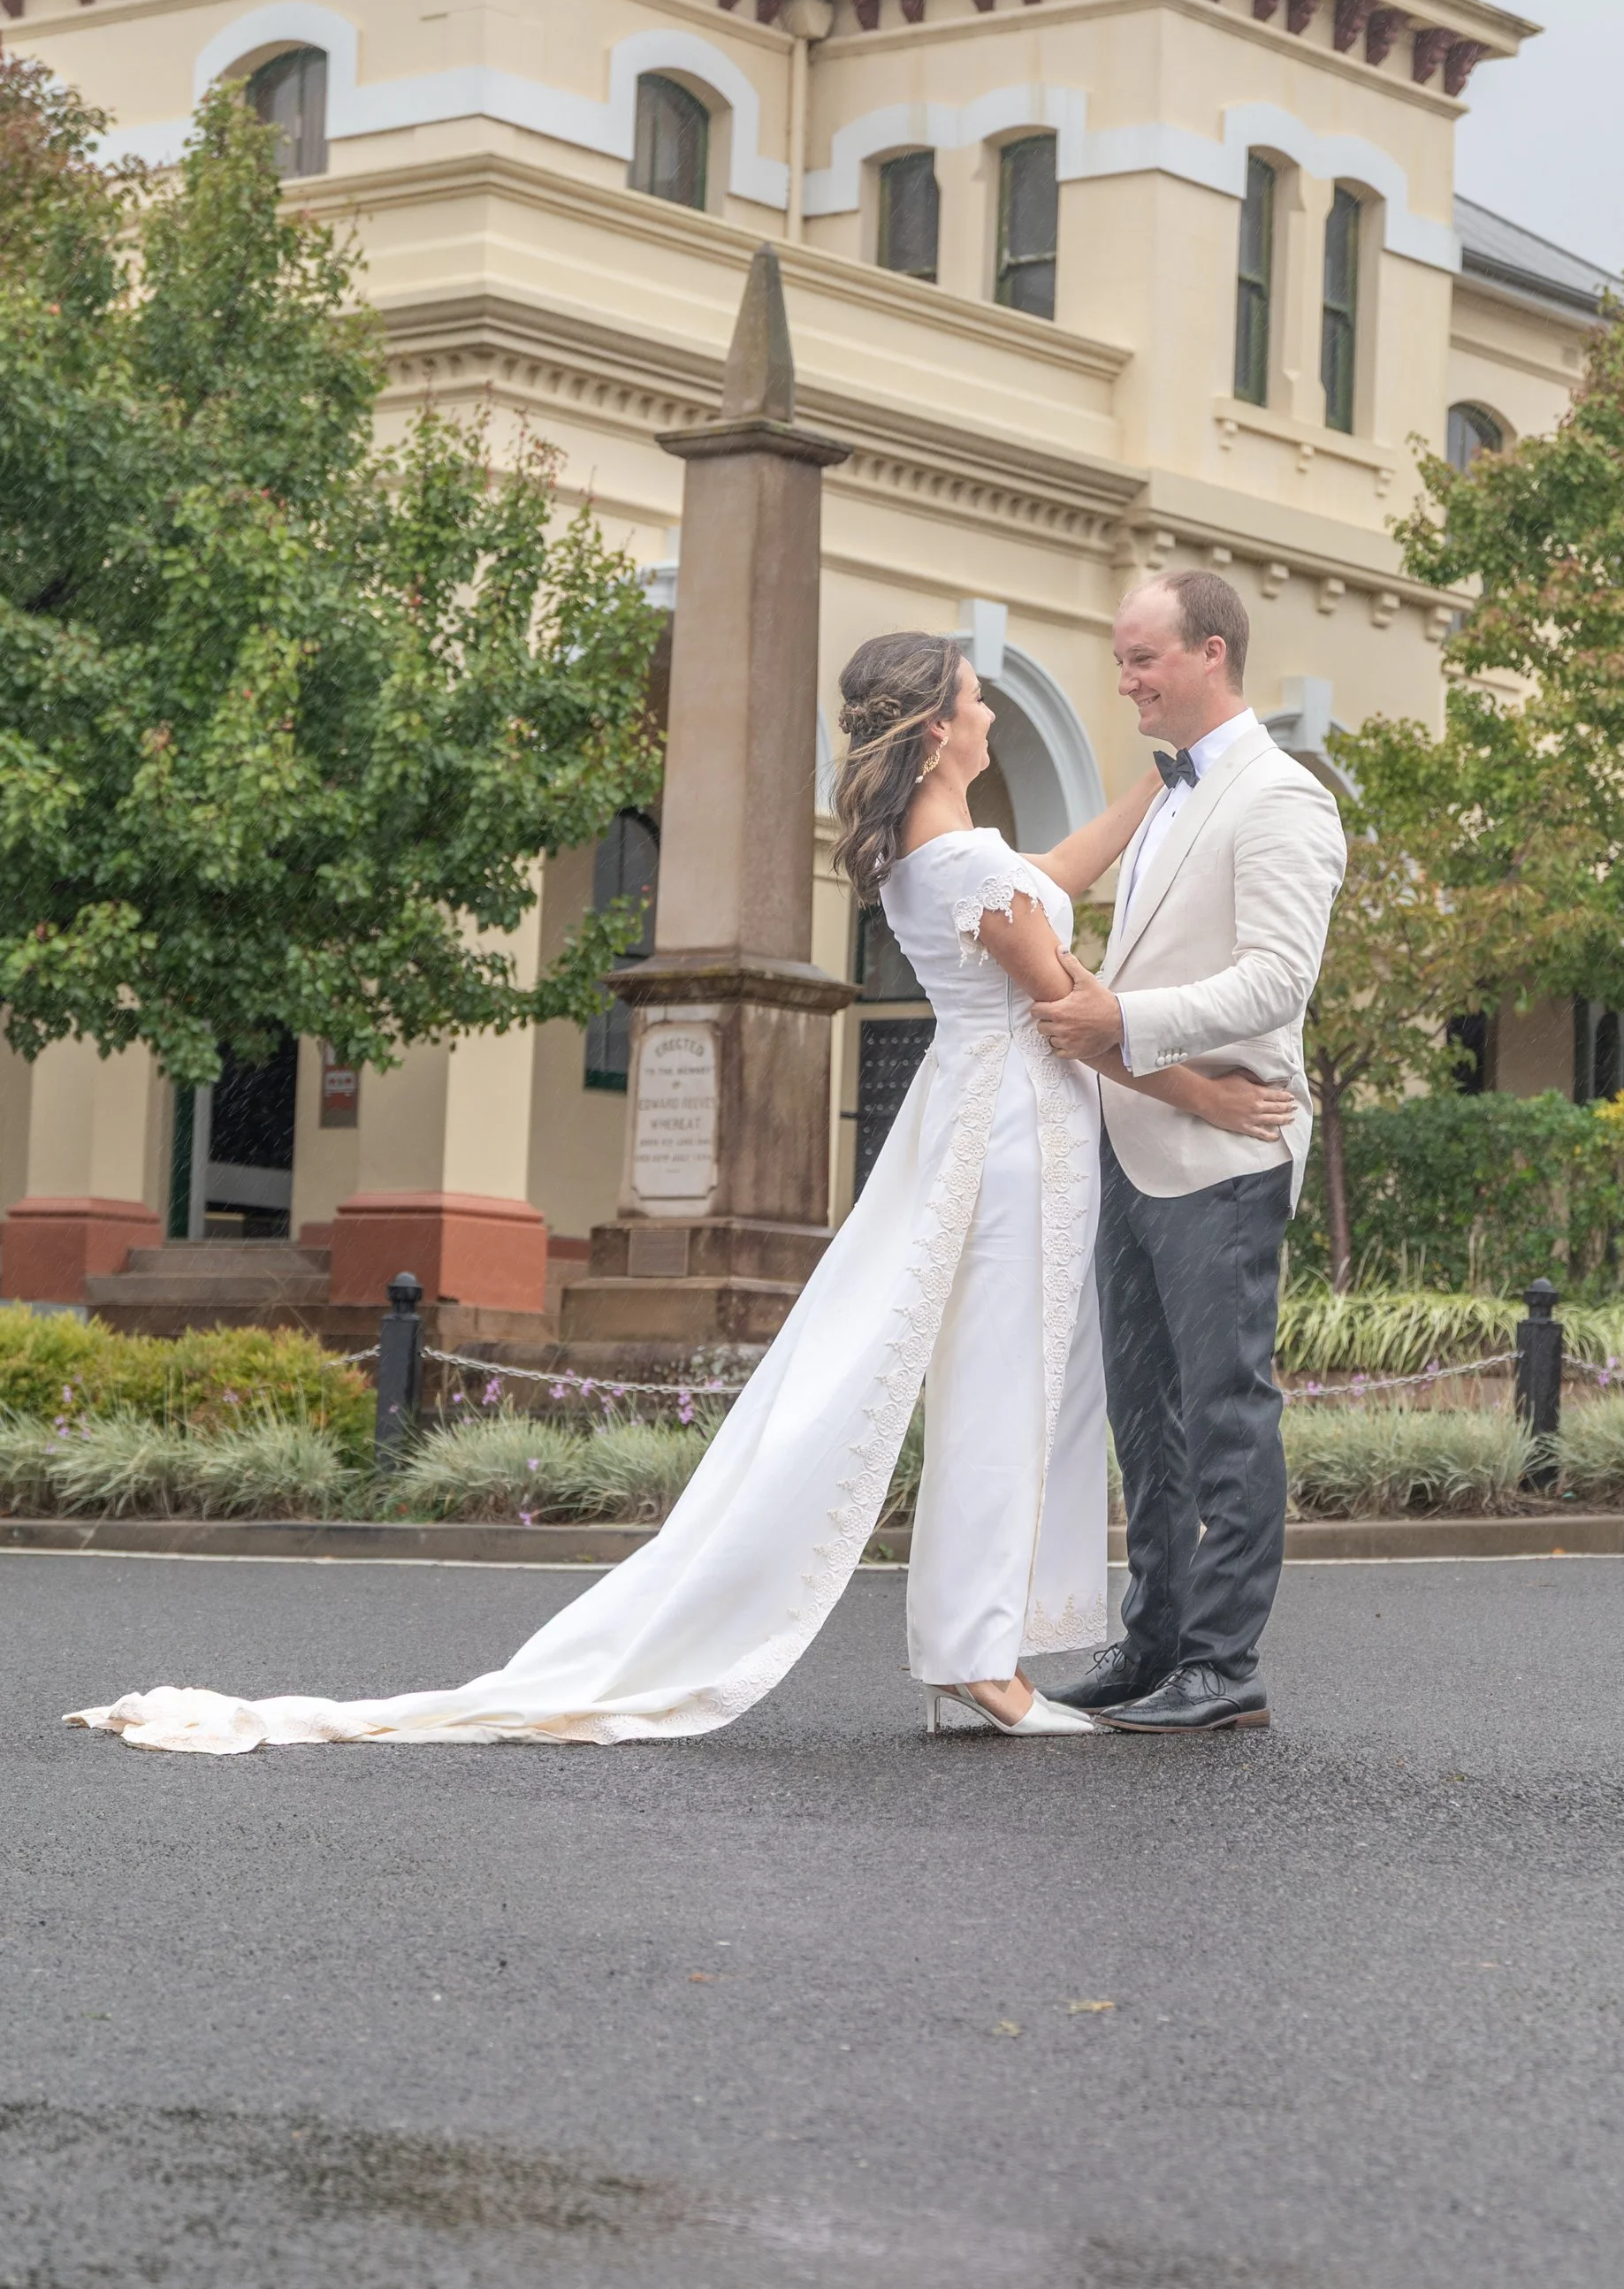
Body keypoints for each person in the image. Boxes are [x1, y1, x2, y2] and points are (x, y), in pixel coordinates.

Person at [68, 630, 1294, 1754]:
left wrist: (1160, 775)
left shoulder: (942, 857)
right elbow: (1073, 1013)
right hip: (1016, 1137)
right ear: (938, 730)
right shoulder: (964, 859)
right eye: (976, 702)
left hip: (983, 1125)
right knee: (1000, 1388)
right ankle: (980, 1659)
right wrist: (1207, 1096)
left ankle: (974, 1652)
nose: (984, 717)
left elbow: (1058, 868)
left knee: (990, 1382)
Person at [1032, 571, 1346, 1734]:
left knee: (1225, 1410)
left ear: (1213, 652)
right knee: (1142, 1416)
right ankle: (1154, 1637)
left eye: (1143, 659)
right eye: (1121, 661)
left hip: (1226, 1151)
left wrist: (1118, 1023)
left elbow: (1277, 980)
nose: (1127, 682)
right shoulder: (1168, 797)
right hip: (1136, 1134)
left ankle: (1225, 1667)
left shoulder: (1283, 799)